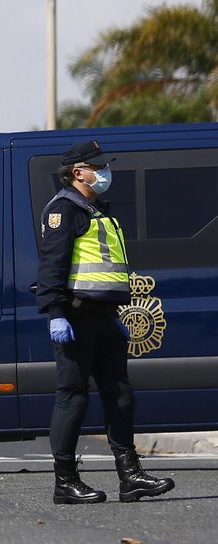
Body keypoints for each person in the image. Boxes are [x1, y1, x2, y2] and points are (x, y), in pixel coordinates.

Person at [36, 139, 175, 504]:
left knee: (120, 395)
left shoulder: (97, 210)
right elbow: (52, 265)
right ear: (77, 172)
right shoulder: (64, 210)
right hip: (75, 317)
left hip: (104, 317)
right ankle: (65, 482)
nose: (105, 172)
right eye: (97, 167)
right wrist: (55, 313)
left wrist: (115, 316)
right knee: (73, 397)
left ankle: (130, 476)